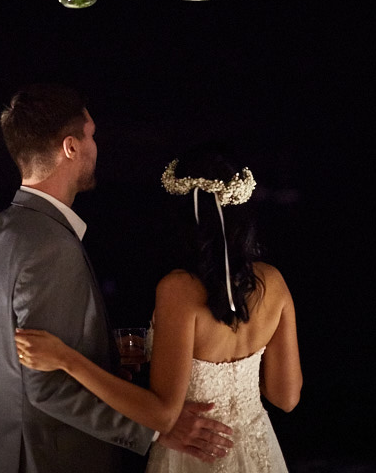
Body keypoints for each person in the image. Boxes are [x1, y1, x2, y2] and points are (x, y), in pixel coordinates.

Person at [0, 85, 235, 473]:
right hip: (53, 457)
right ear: (70, 147)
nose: (95, 146)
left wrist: (98, 357)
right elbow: (46, 387)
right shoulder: (51, 244)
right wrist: (153, 431)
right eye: (91, 135)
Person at [15, 147, 303, 472]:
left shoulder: (178, 289)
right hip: (258, 451)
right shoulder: (273, 282)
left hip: (193, 455)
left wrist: (67, 359)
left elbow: (162, 415)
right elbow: (286, 397)